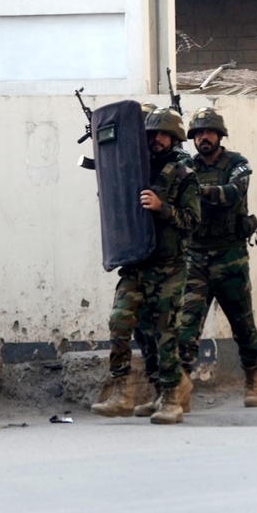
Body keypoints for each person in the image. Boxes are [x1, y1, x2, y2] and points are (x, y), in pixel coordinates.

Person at [91, 108, 200, 424]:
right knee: (119, 322)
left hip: (169, 266)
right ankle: (121, 392)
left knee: (165, 334)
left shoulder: (183, 173)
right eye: (152, 134)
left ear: (175, 138)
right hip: (136, 262)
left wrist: (162, 208)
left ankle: (171, 399)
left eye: (164, 135)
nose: (157, 140)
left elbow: (193, 220)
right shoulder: (135, 168)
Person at [174, 107, 257, 408]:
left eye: (208, 132)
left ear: (219, 135)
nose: (203, 138)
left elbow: (233, 193)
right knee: (186, 327)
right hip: (196, 258)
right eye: (198, 134)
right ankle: (180, 387)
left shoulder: (237, 163)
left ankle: (253, 377)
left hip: (231, 258)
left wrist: (197, 191)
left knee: (243, 326)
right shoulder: (186, 165)